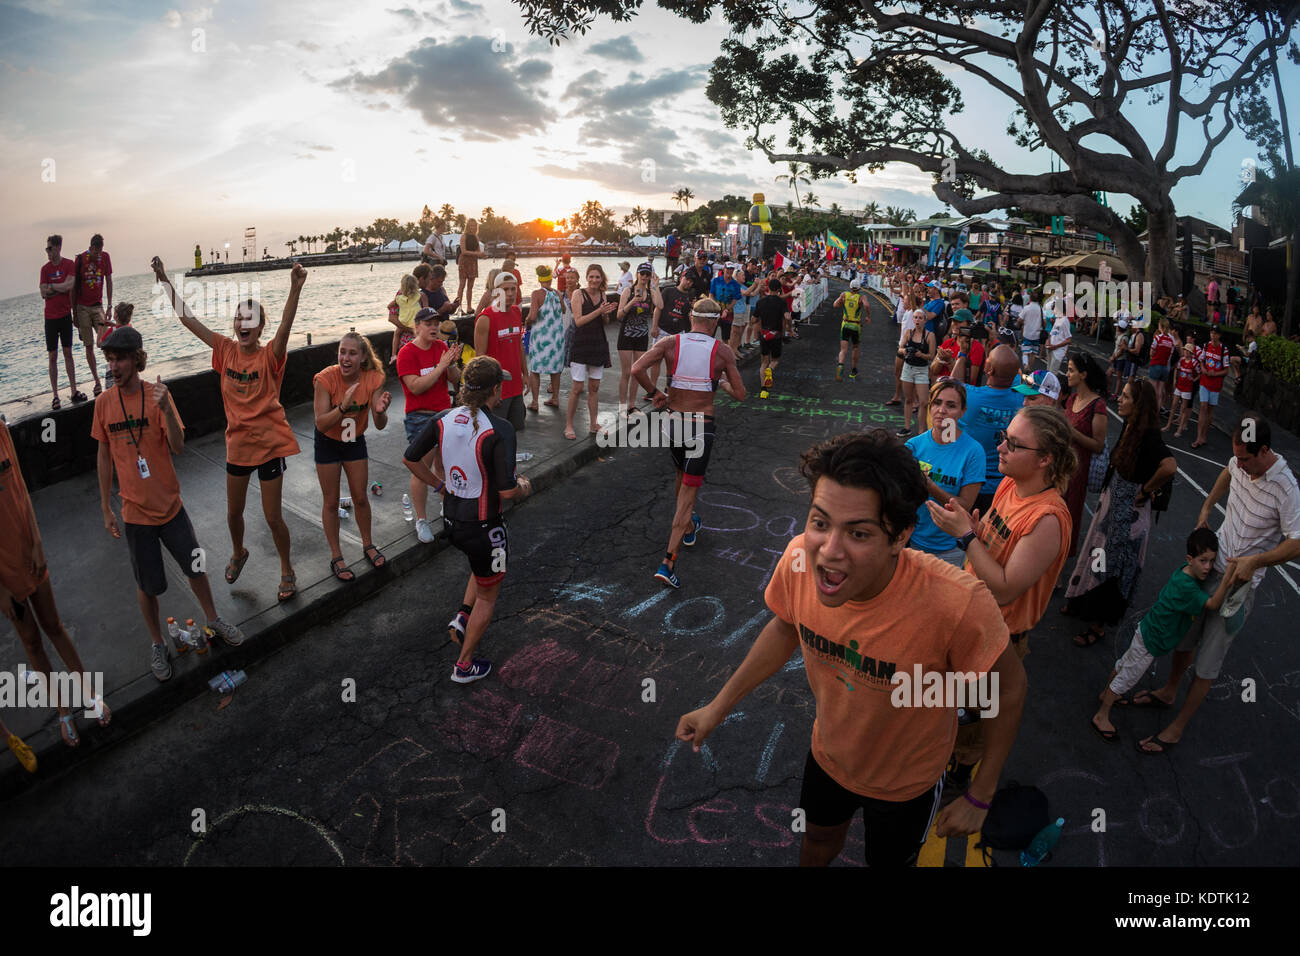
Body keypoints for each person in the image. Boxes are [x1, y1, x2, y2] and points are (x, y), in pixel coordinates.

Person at [675, 430, 1024, 865]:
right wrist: (717, 706)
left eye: (858, 534)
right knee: (817, 842)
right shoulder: (799, 559)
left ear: (900, 537)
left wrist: (982, 794)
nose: (829, 552)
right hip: (829, 757)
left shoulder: (957, 602)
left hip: (908, 783)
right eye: (820, 522)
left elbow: (1008, 689)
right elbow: (786, 627)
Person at [927, 405, 1075, 789]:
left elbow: (1008, 587)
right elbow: (990, 544)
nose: (1001, 448)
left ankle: (962, 771)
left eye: (1013, 443)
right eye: (1004, 437)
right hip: (969, 615)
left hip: (998, 638)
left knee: (972, 718)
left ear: (1044, 459)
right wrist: (974, 527)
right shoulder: (1012, 482)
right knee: (949, 703)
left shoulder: (1047, 520)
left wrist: (966, 537)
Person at [1134, 415, 1300, 753]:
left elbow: (1296, 541)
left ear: (1265, 450)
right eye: (1236, 456)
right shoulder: (1238, 461)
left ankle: (1177, 728)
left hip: (1239, 585)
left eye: (1246, 459)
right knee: (1186, 637)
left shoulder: (1286, 486)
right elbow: (1226, 472)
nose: (1239, 464)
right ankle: (1169, 690)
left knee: (1209, 658)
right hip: (1209, 568)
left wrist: (1257, 561)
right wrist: (1207, 507)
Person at [93, 326, 245, 681]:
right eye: (110, 359)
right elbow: (102, 457)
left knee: (196, 567)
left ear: (137, 359)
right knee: (148, 585)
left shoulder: (158, 395)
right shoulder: (103, 404)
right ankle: (158, 642)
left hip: (171, 507)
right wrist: (104, 508)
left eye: (120, 359)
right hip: (134, 512)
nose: (114, 367)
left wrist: (166, 408)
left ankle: (213, 619)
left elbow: (177, 444)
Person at [153, 256, 303, 603]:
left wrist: (295, 287)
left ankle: (286, 569)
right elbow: (188, 318)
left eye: (249, 319)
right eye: (238, 317)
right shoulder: (224, 349)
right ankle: (239, 551)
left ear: (260, 327)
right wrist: (164, 279)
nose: (242, 323)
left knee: (272, 516)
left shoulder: (270, 356)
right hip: (237, 445)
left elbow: (286, 326)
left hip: (268, 444)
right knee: (233, 513)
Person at [403, 357, 534, 684]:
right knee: (490, 592)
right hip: (486, 528)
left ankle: (462, 616)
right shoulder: (499, 429)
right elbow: (505, 492)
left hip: (452, 522)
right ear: (495, 390)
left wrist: (439, 485)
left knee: (480, 569)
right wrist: (524, 487)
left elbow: (409, 458)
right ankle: (463, 666)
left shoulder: (442, 418)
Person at [1, 417, 111, 746]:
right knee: (31, 641)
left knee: (53, 624)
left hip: (27, 548)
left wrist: (35, 541)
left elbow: (20, 489)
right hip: (3, 572)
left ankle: (88, 692)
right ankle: (62, 709)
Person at [631, 298, 746, 588]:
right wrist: (719, 382)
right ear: (716, 322)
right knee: (687, 496)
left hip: (674, 422)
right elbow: (741, 394)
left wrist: (656, 393)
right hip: (700, 428)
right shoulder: (722, 351)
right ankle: (668, 562)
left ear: (691, 318)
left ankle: (691, 523)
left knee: (680, 476)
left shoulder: (670, 343)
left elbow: (636, 370)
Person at [1091, 528, 1237, 740]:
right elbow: (1213, 603)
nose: (1208, 567)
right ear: (1190, 559)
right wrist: (1228, 576)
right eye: (1203, 561)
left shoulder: (1184, 573)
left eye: (1212, 561)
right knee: (1127, 677)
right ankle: (1102, 714)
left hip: (1148, 631)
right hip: (1152, 639)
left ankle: (1106, 694)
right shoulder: (1188, 587)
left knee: (1124, 665)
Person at [1063, 379, 1175, 646]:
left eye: (1125, 397)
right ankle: (1082, 604)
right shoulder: (1131, 426)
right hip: (1113, 506)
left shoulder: (1149, 435)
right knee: (1098, 556)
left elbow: (1169, 467)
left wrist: (1146, 490)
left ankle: (1099, 625)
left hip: (1128, 515)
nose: (1119, 400)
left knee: (1112, 568)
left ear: (1138, 405)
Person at [313, 332, 392, 580]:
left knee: (359, 497)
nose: (346, 358)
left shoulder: (374, 378)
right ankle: (337, 556)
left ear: (363, 357)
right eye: (342, 352)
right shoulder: (325, 379)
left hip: (354, 441)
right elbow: (321, 424)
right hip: (328, 442)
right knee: (331, 501)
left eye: (352, 353)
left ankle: (368, 544)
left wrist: (379, 412)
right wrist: (343, 407)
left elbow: (379, 424)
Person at [905, 378, 985, 566]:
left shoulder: (973, 452)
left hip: (952, 549)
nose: (942, 410)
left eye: (951, 405)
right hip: (913, 542)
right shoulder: (913, 446)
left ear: (963, 411)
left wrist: (929, 486)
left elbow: (965, 505)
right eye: (937, 403)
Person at [398, 308, 461, 543]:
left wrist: (452, 363)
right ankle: (421, 519)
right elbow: (415, 387)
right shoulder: (407, 353)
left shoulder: (441, 349)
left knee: (444, 463)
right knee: (421, 469)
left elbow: (454, 379)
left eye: (436, 323)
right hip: (420, 416)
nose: (433, 327)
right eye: (428, 323)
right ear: (417, 327)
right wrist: (441, 367)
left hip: (444, 412)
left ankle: (447, 508)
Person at [1061, 352, 1108, 557]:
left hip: (1078, 472)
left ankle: (1060, 565)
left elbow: (1098, 445)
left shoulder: (1098, 405)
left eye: (1071, 370)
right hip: (1061, 465)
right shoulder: (1071, 399)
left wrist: (1072, 433)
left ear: (1083, 374)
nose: (1067, 374)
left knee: (1068, 516)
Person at [565, 264, 617, 440]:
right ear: (586, 278)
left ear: (602, 279)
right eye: (591, 277)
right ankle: (569, 425)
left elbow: (605, 322)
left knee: (594, 387)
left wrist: (605, 314)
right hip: (580, 344)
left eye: (597, 277)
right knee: (577, 388)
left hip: (598, 343)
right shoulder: (578, 294)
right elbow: (578, 321)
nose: (594, 280)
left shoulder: (603, 294)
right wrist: (599, 311)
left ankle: (594, 423)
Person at [473, 272, 528, 434]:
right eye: (505, 290)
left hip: (516, 386)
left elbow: (519, 346)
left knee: (515, 430)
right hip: (497, 391)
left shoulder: (517, 313)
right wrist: (489, 392)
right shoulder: (486, 318)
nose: (510, 293)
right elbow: (480, 361)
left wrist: (526, 374)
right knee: (494, 434)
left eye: (513, 289)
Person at [40, 235, 86, 409]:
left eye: (50, 248)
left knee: (68, 353)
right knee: (53, 356)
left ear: (58, 247)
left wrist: (53, 286)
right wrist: (57, 287)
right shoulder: (44, 269)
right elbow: (43, 292)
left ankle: (73, 390)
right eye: (47, 249)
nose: (48, 252)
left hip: (65, 315)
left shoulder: (68, 264)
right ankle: (55, 395)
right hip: (50, 318)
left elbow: (70, 286)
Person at [616, 263, 662, 415]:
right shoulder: (627, 291)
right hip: (626, 335)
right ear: (637, 274)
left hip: (641, 336)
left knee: (637, 372)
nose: (644, 277)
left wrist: (656, 286)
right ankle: (622, 407)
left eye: (647, 274)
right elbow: (619, 315)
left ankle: (631, 405)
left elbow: (660, 305)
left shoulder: (651, 292)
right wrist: (632, 302)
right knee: (626, 372)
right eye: (642, 273)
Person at [71, 234, 111, 396]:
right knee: (89, 346)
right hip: (82, 308)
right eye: (97, 252)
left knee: (106, 340)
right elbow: (73, 289)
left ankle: (113, 374)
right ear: (92, 248)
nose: (98, 255)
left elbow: (109, 280)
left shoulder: (105, 257)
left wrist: (109, 305)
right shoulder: (80, 260)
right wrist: (74, 314)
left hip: (98, 306)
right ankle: (97, 381)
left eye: (101, 252)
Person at [526, 265, 566, 413]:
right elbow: (564, 310)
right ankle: (555, 398)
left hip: (541, 339)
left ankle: (535, 402)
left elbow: (533, 316)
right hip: (556, 339)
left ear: (539, 279)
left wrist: (526, 321)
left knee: (535, 370)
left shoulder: (536, 294)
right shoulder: (557, 293)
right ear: (550, 278)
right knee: (555, 371)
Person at [898, 309, 936, 438]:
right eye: (915, 318)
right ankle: (907, 427)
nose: (917, 320)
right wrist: (904, 351)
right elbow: (900, 348)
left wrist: (921, 355)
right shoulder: (908, 333)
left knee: (924, 402)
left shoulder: (930, 335)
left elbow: (931, 356)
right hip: (908, 368)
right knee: (908, 399)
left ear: (925, 320)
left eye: (920, 318)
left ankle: (921, 431)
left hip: (922, 370)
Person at [1192, 325, 1228, 449]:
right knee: (1203, 406)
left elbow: (1226, 370)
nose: (1213, 335)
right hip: (1205, 381)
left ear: (1219, 335)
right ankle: (1198, 437)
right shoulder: (1206, 346)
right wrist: (1203, 369)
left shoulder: (1224, 349)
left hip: (1215, 384)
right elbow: (1202, 360)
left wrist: (1216, 373)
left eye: (1216, 333)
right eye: (1212, 333)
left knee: (1210, 410)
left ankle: (1204, 436)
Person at [752, 278, 789, 397]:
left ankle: (763, 390)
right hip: (776, 334)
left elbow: (754, 319)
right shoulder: (781, 302)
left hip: (764, 334)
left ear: (768, 288)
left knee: (763, 362)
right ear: (779, 289)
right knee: (775, 360)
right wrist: (790, 329)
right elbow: (787, 317)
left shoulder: (761, 301)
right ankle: (771, 370)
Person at [832, 279, 868, 382]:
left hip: (845, 324)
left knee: (843, 349)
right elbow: (866, 305)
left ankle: (840, 366)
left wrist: (842, 303)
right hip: (856, 325)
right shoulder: (861, 297)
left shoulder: (844, 295)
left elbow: (835, 305)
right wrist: (868, 316)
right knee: (855, 347)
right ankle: (853, 370)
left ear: (850, 287)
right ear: (859, 288)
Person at [387, 274, 421, 364]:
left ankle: (394, 355)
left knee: (396, 334)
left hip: (403, 322)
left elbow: (389, 306)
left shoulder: (399, 298)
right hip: (415, 322)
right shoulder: (418, 296)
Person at [1146, 317, 1177, 416]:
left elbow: (1151, 352)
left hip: (1156, 364)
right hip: (1165, 367)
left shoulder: (1158, 338)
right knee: (1160, 391)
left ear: (1160, 326)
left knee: (1153, 389)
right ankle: (1157, 411)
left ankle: (1150, 410)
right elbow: (1170, 354)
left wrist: (1153, 356)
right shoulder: (1171, 340)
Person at [454, 218, 485, 313]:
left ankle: (469, 307)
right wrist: (477, 254)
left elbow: (478, 251)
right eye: (471, 225)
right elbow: (463, 251)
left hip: (473, 262)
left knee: (470, 287)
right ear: (468, 226)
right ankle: (459, 308)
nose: (473, 227)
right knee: (462, 285)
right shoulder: (464, 236)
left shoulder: (476, 237)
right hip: (464, 262)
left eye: (474, 225)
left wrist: (482, 255)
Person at [1018, 289, 1043, 371]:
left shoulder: (1026, 308)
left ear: (1030, 298)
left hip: (1027, 333)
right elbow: (1045, 321)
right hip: (1037, 334)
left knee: (1025, 352)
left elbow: (1019, 319)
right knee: (1033, 353)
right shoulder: (1040, 309)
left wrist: (1020, 323)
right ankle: (1030, 369)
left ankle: (1025, 366)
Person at [1045, 302, 1072, 374]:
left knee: (1052, 373)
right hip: (1052, 349)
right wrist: (1048, 342)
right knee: (1048, 371)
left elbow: (1068, 340)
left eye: (1054, 308)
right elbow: (1052, 334)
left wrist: (1055, 346)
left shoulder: (1065, 321)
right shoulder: (1057, 319)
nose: (1053, 311)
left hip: (1058, 352)